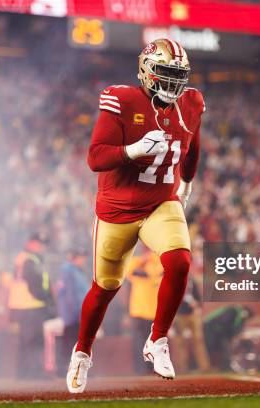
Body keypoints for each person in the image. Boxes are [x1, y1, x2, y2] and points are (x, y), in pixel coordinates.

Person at [66, 38, 204, 393]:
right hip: (117, 209)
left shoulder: (191, 104)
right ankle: (82, 351)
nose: (173, 83)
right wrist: (132, 150)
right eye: (166, 73)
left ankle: (157, 340)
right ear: (146, 71)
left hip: (161, 202)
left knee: (180, 263)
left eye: (178, 75)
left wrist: (186, 182)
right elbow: (96, 157)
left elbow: (192, 148)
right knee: (106, 287)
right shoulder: (122, 99)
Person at [8, 235, 56, 379]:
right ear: (31, 244)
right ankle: (34, 372)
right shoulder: (30, 260)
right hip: (32, 307)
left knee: (26, 342)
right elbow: (35, 285)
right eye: (39, 244)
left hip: (23, 307)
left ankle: (24, 374)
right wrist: (47, 300)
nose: (42, 247)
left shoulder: (23, 259)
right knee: (33, 341)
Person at [126, 250, 163, 374]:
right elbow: (127, 269)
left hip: (152, 314)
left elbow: (159, 268)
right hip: (140, 313)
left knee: (152, 343)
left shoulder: (153, 272)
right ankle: (141, 369)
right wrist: (142, 260)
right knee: (140, 342)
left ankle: (151, 368)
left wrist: (146, 260)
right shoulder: (138, 274)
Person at [55, 250, 90, 377]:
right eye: (82, 257)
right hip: (73, 314)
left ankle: (76, 369)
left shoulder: (75, 271)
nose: (84, 260)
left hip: (76, 313)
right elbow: (70, 294)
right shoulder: (69, 271)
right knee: (71, 342)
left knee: (74, 342)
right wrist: (77, 312)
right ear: (75, 258)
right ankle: (66, 369)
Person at [171, 273, 211, 373]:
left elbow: (197, 295)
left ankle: (204, 367)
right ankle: (181, 368)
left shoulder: (191, 280)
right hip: (179, 315)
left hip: (193, 314)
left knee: (198, 341)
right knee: (180, 342)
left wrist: (198, 307)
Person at [203, 305, 254, 371]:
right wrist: (230, 336)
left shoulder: (240, 318)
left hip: (218, 331)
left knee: (225, 347)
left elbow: (236, 329)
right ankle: (206, 367)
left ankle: (225, 367)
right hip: (209, 328)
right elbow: (223, 324)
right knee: (210, 347)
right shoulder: (232, 311)